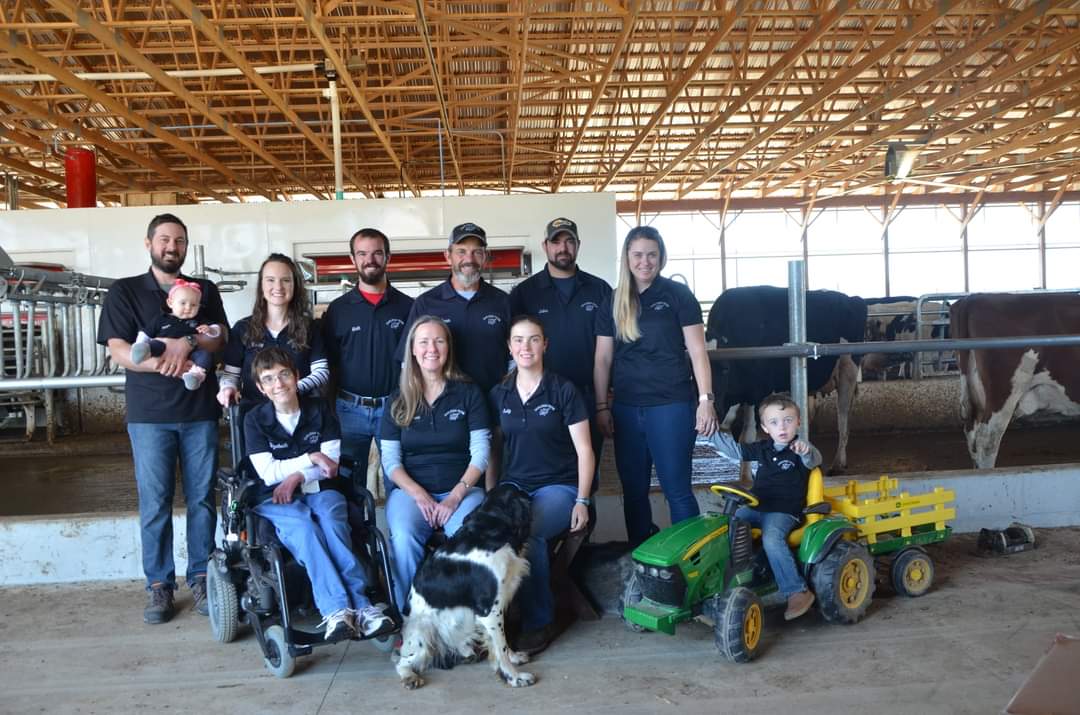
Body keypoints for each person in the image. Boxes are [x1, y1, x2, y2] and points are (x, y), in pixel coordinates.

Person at [97, 213, 227, 624]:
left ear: (186, 246)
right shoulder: (125, 291)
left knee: (203, 499)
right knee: (155, 503)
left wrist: (185, 342)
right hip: (150, 416)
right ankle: (159, 586)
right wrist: (165, 363)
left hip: (199, 413)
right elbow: (117, 349)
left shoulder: (204, 289)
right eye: (165, 240)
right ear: (149, 243)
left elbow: (219, 336)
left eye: (180, 241)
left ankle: (203, 576)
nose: (172, 247)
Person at [244, 347, 392, 640]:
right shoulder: (254, 420)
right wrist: (311, 458)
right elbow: (268, 473)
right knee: (303, 528)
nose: (279, 384)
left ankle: (363, 607)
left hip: (321, 489)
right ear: (261, 388)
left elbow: (331, 466)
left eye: (285, 375)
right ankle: (336, 609)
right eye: (269, 379)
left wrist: (297, 475)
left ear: (297, 376)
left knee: (333, 521)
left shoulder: (320, 409)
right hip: (275, 497)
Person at [593, 225, 718, 547]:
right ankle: (640, 557)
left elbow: (698, 352)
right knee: (633, 490)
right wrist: (602, 407)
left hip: (671, 405)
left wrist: (705, 399)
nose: (645, 261)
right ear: (627, 258)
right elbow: (603, 359)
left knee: (676, 488)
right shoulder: (613, 301)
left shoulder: (677, 296)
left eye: (651, 254)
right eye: (638, 255)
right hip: (626, 408)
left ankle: (691, 558)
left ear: (661, 257)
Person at [490, 315, 594, 655]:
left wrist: (582, 499)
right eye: (518, 340)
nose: (526, 347)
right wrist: (491, 495)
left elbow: (585, 450)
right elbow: (493, 450)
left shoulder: (563, 390)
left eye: (533, 339)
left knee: (529, 532)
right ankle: (495, 619)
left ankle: (539, 621)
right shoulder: (499, 393)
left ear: (545, 345)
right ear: (509, 346)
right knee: (487, 531)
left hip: (559, 488)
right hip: (513, 486)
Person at [379, 316, 490, 606]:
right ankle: (409, 615)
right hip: (411, 493)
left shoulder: (468, 393)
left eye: (439, 341)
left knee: (464, 538)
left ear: (448, 348)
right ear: (413, 350)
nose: (432, 348)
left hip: (463, 491)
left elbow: (481, 453)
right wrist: (419, 496)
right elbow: (390, 461)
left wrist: (455, 497)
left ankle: (462, 620)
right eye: (424, 342)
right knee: (403, 536)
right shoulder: (397, 400)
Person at [399, 222, 512, 486]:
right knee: (453, 475)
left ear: (485, 256)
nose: (468, 259)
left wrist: (508, 390)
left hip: (492, 402)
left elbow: (515, 354)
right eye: (461, 251)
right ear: (447, 255)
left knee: (493, 474)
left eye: (476, 252)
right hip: (444, 407)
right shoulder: (427, 303)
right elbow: (409, 358)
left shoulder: (502, 301)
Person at [509, 217, 611, 486]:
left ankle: (584, 525)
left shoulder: (600, 290)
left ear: (578, 245)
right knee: (545, 476)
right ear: (545, 246)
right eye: (556, 241)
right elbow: (514, 347)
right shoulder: (524, 293)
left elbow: (611, 351)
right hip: (542, 402)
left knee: (587, 476)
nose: (563, 247)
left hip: (589, 398)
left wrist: (603, 404)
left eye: (569, 241)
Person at [708, 393, 822, 621]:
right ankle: (722, 581)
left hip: (784, 512)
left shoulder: (800, 450)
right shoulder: (762, 448)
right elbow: (734, 451)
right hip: (757, 506)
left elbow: (815, 460)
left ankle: (796, 591)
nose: (782, 427)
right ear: (765, 428)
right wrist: (710, 433)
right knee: (726, 525)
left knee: (771, 539)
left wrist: (806, 450)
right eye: (774, 422)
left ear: (799, 422)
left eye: (788, 420)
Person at [322, 228, 413, 475]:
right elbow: (329, 364)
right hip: (348, 410)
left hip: (396, 408)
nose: (369, 260)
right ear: (353, 259)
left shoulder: (409, 308)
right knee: (348, 485)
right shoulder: (339, 310)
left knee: (401, 480)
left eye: (376, 253)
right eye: (362, 254)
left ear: (388, 257)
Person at [217, 253, 328, 417]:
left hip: (303, 415)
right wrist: (227, 388)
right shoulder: (242, 329)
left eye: (286, 280)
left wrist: (288, 389)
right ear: (261, 286)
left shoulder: (310, 326)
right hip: (255, 417)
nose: (278, 286)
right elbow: (231, 375)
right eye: (270, 280)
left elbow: (321, 372)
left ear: (295, 286)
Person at [130, 278, 224, 391]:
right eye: (183, 303)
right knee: (154, 344)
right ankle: (142, 351)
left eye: (194, 305)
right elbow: (146, 333)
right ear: (170, 303)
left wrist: (210, 330)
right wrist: (140, 343)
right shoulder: (161, 319)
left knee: (205, 356)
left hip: (191, 355)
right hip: (162, 348)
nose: (188, 307)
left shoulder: (199, 319)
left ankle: (195, 376)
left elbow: (218, 331)